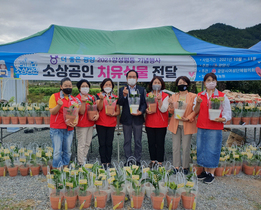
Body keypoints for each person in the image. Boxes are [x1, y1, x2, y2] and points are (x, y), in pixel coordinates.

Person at [193, 73, 231, 184]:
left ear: (216, 82)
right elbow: (195, 111)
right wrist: (198, 103)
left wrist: (223, 119)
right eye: (208, 80)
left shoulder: (221, 96)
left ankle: (212, 173)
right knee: (202, 148)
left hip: (215, 127)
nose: (211, 82)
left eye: (213, 80)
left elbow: (227, 112)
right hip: (202, 126)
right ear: (204, 83)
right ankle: (205, 171)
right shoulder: (200, 95)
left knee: (213, 149)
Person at [49, 77, 81, 168]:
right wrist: (59, 105)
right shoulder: (54, 97)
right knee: (57, 151)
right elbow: (52, 112)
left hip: (69, 128)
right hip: (57, 128)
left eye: (70, 86)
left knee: (67, 151)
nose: (68, 87)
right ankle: (57, 170)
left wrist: (76, 121)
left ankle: (65, 168)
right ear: (61, 87)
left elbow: (76, 112)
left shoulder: (74, 99)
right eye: (66, 85)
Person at [168, 76, 197, 175]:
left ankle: (185, 166)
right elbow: (171, 111)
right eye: (180, 83)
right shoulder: (174, 96)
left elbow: (196, 110)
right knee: (175, 147)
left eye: (184, 82)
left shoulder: (193, 96)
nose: (182, 84)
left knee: (185, 147)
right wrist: (171, 104)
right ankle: (176, 166)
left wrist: (188, 118)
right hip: (175, 124)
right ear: (177, 85)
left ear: (187, 84)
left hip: (187, 124)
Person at [117, 70, 146, 166]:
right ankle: (129, 159)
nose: (132, 79)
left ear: (137, 79)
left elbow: (144, 103)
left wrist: (141, 112)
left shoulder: (141, 90)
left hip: (138, 119)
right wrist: (124, 96)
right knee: (127, 140)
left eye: (134, 77)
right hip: (126, 119)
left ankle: (137, 160)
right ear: (126, 78)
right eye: (130, 77)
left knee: (138, 140)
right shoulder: (122, 89)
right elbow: (119, 103)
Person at [95, 78, 120, 169]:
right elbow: (99, 108)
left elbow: (118, 111)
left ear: (112, 86)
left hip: (111, 124)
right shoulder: (98, 96)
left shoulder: (115, 97)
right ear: (102, 86)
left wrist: (114, 113)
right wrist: (101, 99)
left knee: (109, 143)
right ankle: (103, 162)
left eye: (110, 85)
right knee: (102, 143)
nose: (108, 86)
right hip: (101, 123)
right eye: (106, 85)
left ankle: (109, 162)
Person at [145, 76, 169, 168]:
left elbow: (163, 110)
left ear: (162, 84)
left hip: (161, 123)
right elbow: (144, 107)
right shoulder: (148, 95)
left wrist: (159, 101)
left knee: (160, 143)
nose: (156, 84)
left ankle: (159, 161)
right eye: (155, 82)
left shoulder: (165, 96)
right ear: (151, 84)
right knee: (151, 142)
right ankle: (152, 160)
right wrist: (146, 110)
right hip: (150, 122)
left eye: (158, 83)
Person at [76, 79, 99, 166]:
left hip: (90, 123)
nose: (85, 88)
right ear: (79, 88)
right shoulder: (77, 98)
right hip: (81, 124)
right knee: (81, 143)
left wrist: (97, 115)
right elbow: (81, 112)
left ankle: (84, 158)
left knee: (88, 143)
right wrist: (83, 102)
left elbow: (94, 108)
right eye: (83, 86)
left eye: (87, 86)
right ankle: (81, 162)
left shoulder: (91, 97)